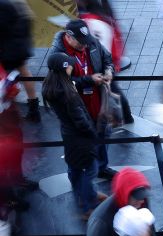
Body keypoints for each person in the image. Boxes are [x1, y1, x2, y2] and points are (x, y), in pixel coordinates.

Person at [51, 19, 117, 181]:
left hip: (98, 102)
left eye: (86, 41)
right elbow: (63, 84)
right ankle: (80, 178)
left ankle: (102, 167)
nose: (85, 46)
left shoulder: (91, 42)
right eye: (81, 43)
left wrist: (109, 71)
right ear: (68, 37)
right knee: (81, 145)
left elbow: (107, 59)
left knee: (104, 134)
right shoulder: (58, 55)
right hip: (77, 108)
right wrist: (89, 80)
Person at [42, 52, 101, 219]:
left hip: (68, 135)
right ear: (64, 68)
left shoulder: (51, 86)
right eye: (69, 65)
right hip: (80, 138)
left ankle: (88, 197)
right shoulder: (68, 94)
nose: (72, 67)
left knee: (75, 168)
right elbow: (80, 120)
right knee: (90, 169)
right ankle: (87, 205)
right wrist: (92, 132)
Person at [0, 0, 39, 122]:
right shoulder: (19, 4)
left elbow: (2, 27)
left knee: (7, 79)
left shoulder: (4, 4)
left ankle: (9, 110)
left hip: (9, 47)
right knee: (24, 73)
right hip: (20, 44)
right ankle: (34, 109)